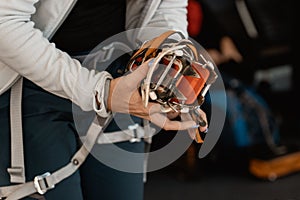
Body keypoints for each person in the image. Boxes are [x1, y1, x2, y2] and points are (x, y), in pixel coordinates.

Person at [0, 0, 208, 200]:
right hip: (31, 82)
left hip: (119, 79)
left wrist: (167, 74)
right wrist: (101, 91)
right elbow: (5, 20)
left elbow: (165, 6)